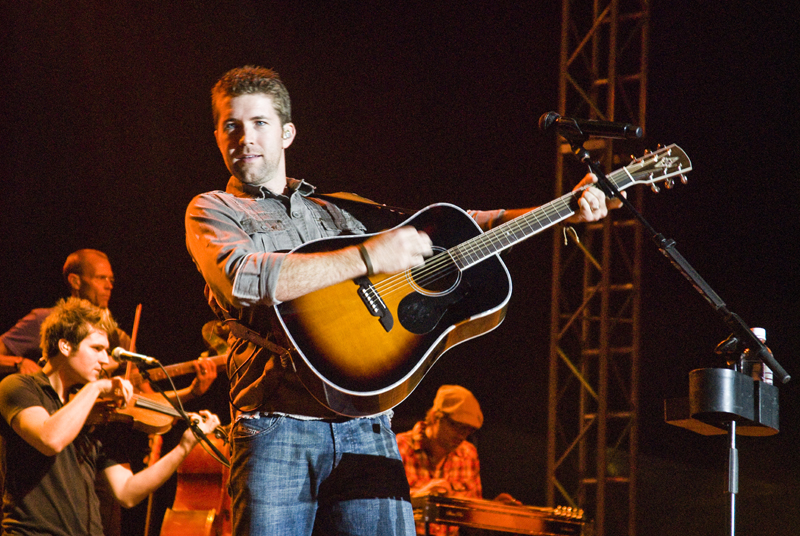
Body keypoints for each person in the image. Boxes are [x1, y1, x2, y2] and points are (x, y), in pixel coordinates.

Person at [184, 65, 618, 536]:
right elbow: (242, 278)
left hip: (367, 428)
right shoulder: (213, 209)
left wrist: (562, 212)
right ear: (217, 135)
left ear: (287, 133)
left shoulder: (338, 208)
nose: (245, 137)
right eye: (232, 125)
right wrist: (371, 254)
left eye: (259, 123)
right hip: (276, 426)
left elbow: (462, 227)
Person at [0, 297, 221, 536]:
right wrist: (96, 387)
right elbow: (50, 439)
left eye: (106, 350)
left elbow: (127, 492)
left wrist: (183, 448)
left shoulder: (98, 414)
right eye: (96, 349)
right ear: (65, 346)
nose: (105, 360)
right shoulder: (19, 387)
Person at [0, 249, 218, 401]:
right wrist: (18, 363)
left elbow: (147, 399)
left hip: (96, 442)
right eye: (100, 278)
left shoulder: (117, 338)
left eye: (111, 280)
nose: (109, 286)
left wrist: (192, 391)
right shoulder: (45, 320)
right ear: (75, 281)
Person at [397, 385, 517, 535]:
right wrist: (420, 497)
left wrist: (493, 510)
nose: (461, 435)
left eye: (468, 430)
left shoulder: (468, 453)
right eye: (456, 426)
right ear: (435, 417)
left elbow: (471, 519)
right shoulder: (397, 448)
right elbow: (374, 506)